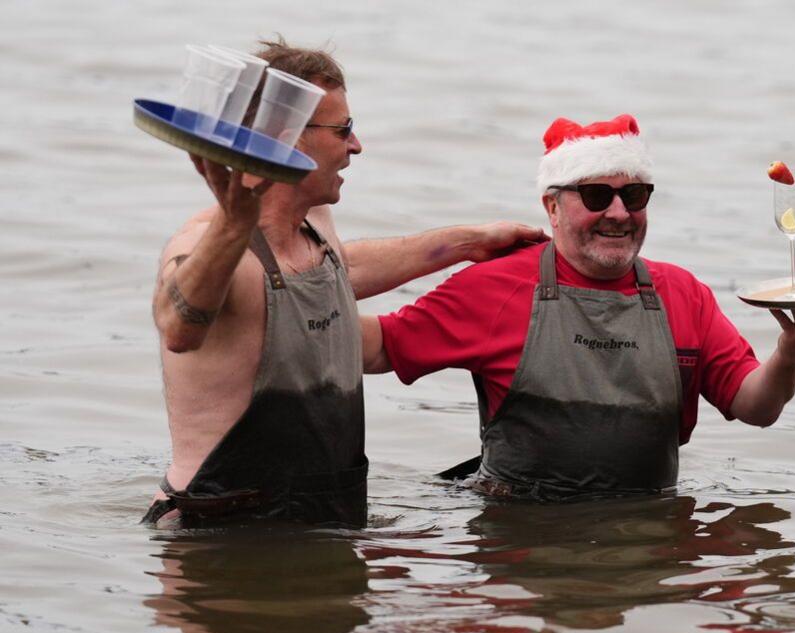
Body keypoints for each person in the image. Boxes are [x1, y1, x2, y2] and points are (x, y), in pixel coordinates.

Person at [143, 38, 545, 527]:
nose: (357, 145)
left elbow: (337, 273)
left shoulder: (315, 224)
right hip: (219, 532)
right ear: (286, 136)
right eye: (344, 129)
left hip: (325, 519)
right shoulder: (206, 245)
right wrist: (233, 222)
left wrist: (466, 242)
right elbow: (178, 327)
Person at [363, 114, 795, 499]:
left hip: (645, 532)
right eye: (596, 195)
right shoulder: (495, 286)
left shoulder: (683, 294)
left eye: (633, 195)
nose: (618, 212)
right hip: (523, 540)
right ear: (552, 207)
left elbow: (756, 407)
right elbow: (381, 348)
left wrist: (792, 351)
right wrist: (299, 304)